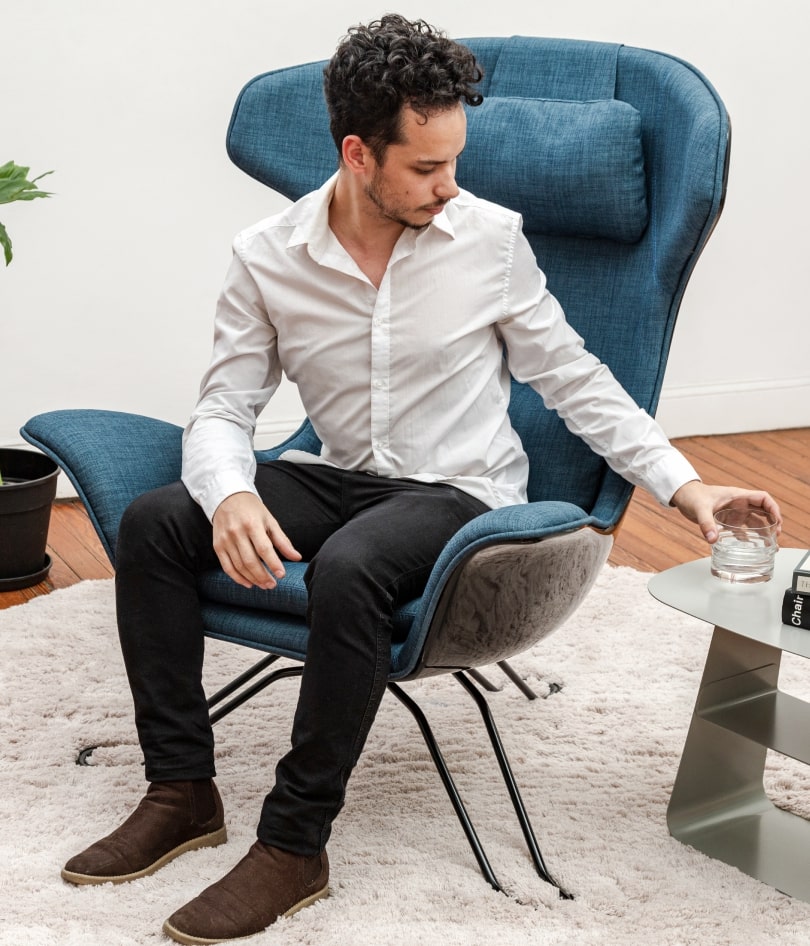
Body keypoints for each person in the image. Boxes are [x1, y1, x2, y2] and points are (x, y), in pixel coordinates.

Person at [61, 13, 782, 945]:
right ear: (358, 154)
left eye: (455, 163)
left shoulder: (490, 241)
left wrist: (688, 487)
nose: (451, 186)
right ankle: (181, 791)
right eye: (428, 168)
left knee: (353, 566)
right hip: (334, 472)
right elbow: (225, 407)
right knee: (160, 521)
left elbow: (576, 380)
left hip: (456, 492)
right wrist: (231, 494)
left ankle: (294, 843)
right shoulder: (269, 256)